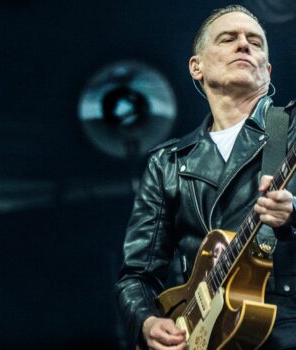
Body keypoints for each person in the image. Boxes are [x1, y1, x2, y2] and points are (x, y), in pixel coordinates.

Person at [115, 4, 296, 350]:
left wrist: (294, 212)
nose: (244, 45)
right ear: (196, 67)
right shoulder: (167, 162)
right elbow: (137, 275)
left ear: (268, 70)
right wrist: (147, 321)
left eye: (255, 42)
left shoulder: (289, 129)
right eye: (228, 39)